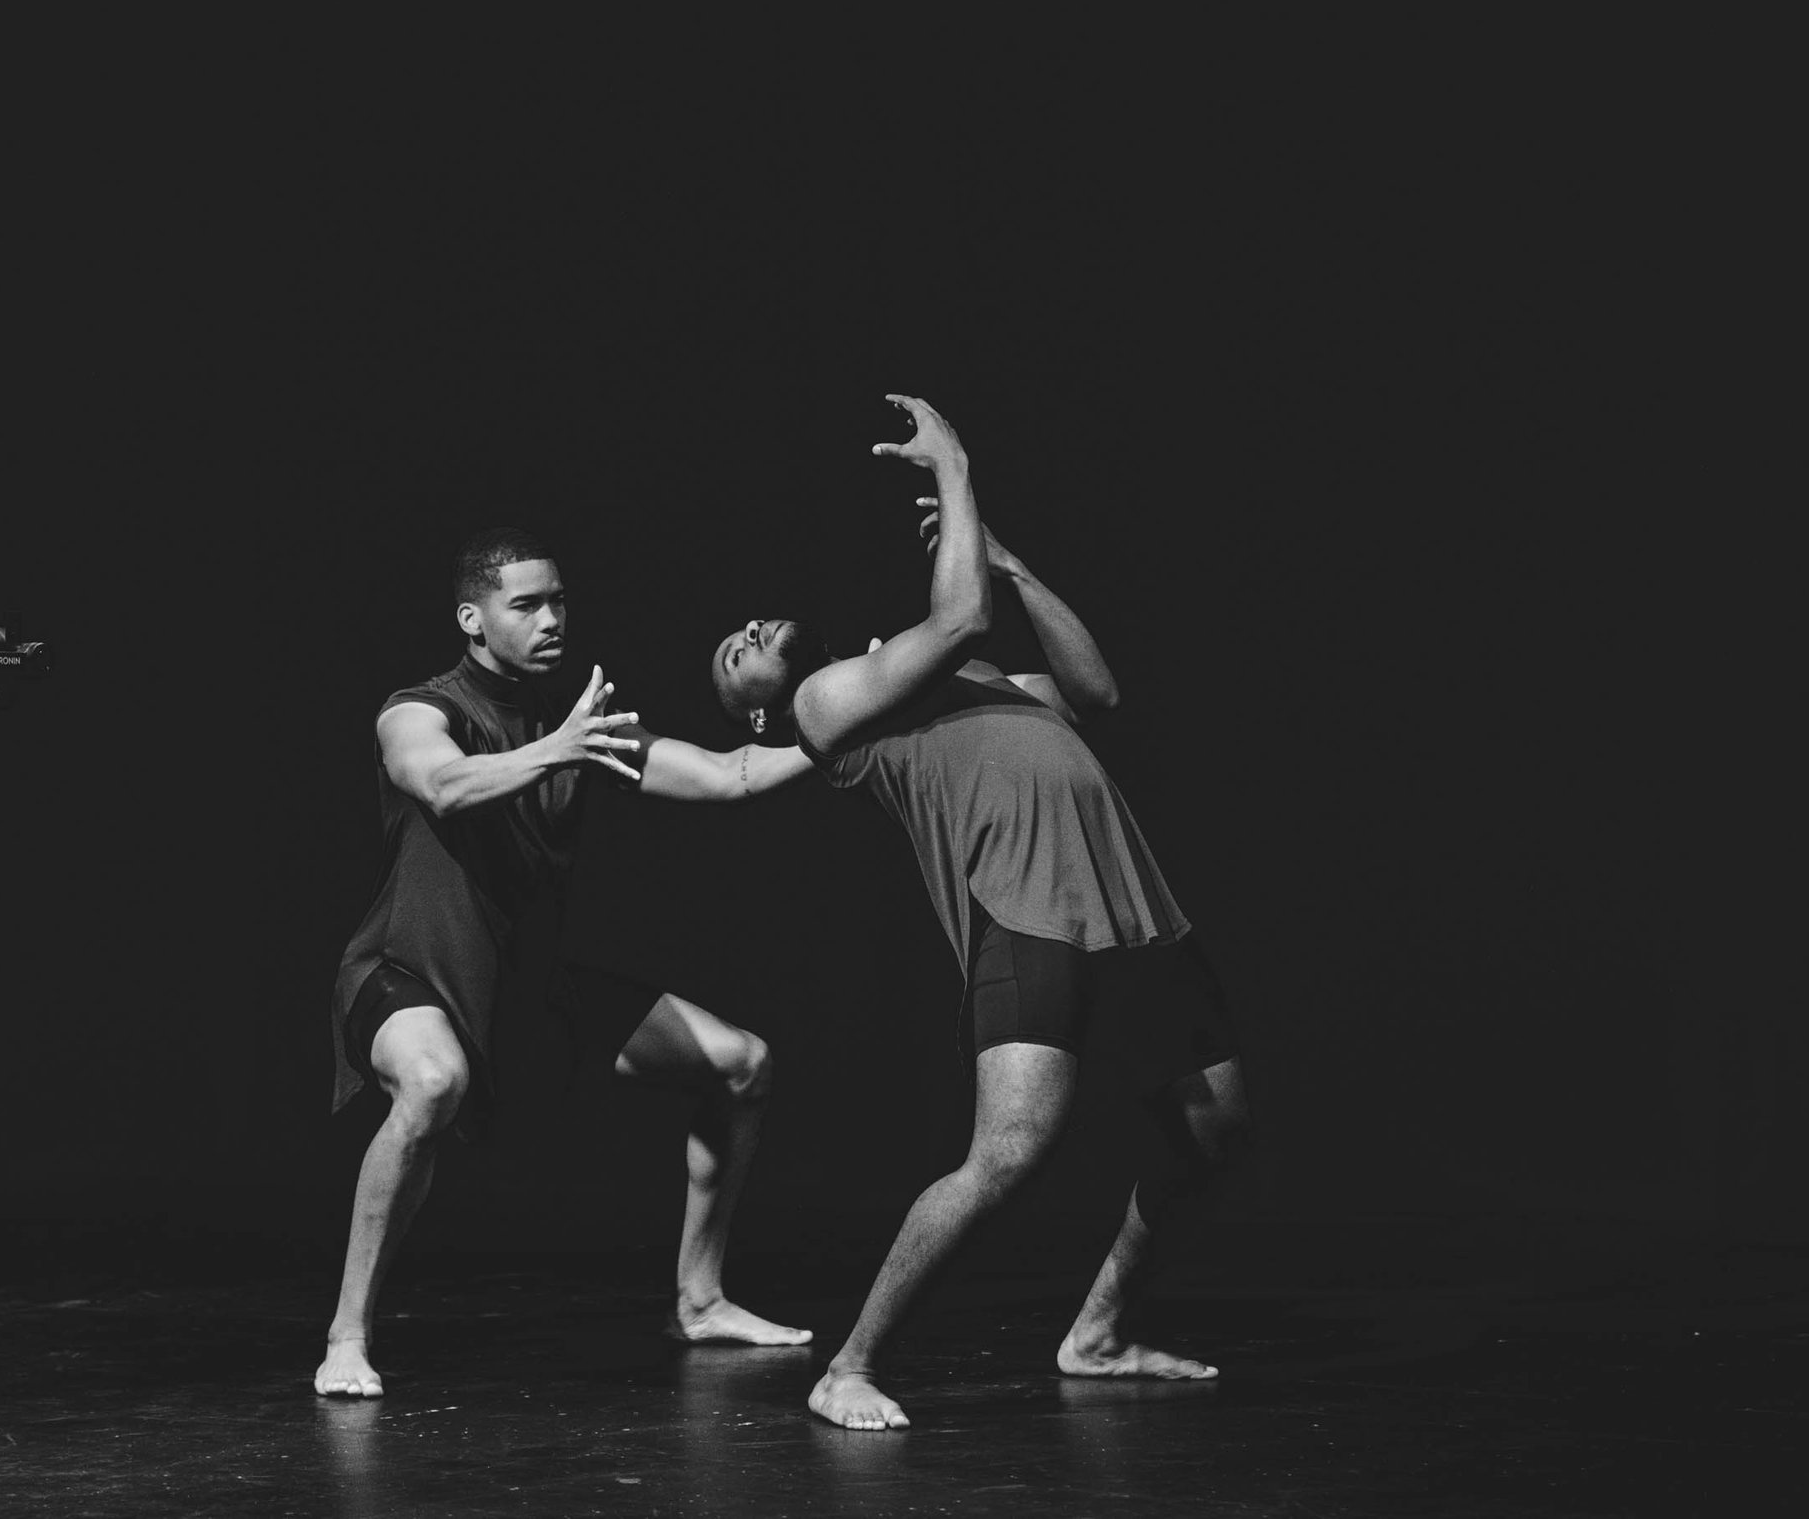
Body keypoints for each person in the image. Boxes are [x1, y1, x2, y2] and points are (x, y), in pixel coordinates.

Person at [706, 396, 1252, 1431]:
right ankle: (850, 1364)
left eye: (742, 629)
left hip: (1135, 912)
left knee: (1215, 1129)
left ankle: (1095, 1332)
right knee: (1004, 1153)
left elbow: (1094, 690)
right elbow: (952, 613)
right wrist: (955, 464)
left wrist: (1012, 566)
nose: (743, 635)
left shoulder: (965, 677)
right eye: (733, 657)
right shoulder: (831, 705)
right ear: (766, 711)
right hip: (1027, 913)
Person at [316, 527, 816, 1400]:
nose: (553, 617)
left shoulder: (575, 721)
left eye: (559, 599)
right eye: (527, 604)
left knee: (744, 1063)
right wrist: (557, 750)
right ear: (472, 617)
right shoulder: (420, 707)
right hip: (407, 975)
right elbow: (438, 782)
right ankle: (346, 1335)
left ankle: (700, 1299)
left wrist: (849, 730)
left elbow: (730, 772)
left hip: (528, 991)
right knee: (431, 1083)